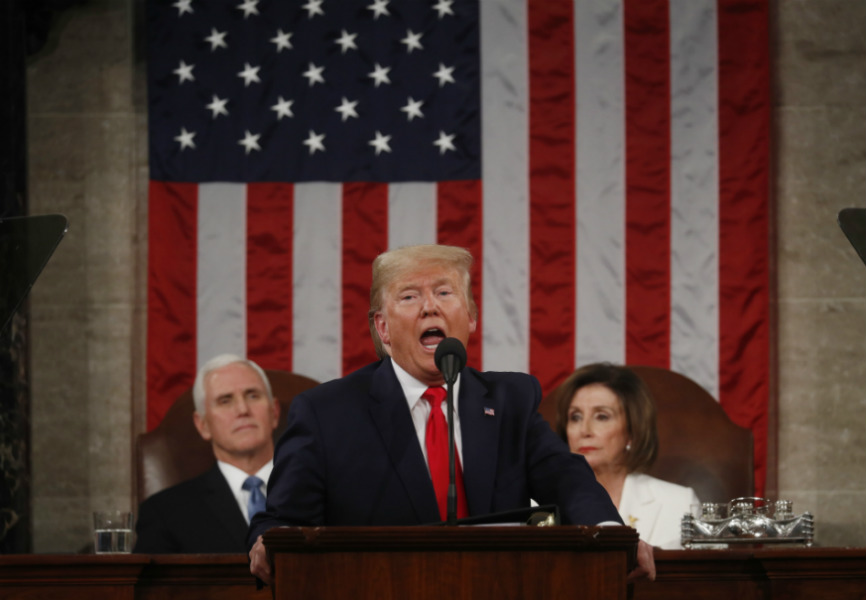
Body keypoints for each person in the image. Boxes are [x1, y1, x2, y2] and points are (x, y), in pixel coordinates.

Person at [248, 244, 655, 583]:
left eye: (445, 293)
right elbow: (281, 522)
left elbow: (566, 479)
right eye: (409, 296)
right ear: (383, 329)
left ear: (471, 317)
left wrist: (611, 533)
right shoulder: (326, 413)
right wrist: (270, 541)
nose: (430, 307)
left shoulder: (510, 399)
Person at [134, 354, 280, 553]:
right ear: (202, 425)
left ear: (274, 412)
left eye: (253, 395)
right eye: (225, 401)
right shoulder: (165, 513)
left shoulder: (323, 492)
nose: (242, 409)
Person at [552, 362, 700, 549]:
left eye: (602, 416)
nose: (584, 430)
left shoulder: (679, 504)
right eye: (575, 417)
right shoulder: (535, 506)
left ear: (632, 431)